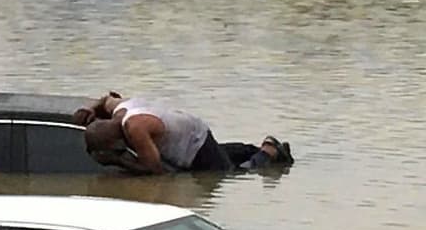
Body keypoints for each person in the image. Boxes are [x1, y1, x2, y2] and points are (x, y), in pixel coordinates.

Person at [73, 92, 293, 175]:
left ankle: (267, 152)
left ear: (114, 143)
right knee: (220, 152)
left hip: (193, 145)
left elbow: (158, 171)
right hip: (190, 128)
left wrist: (119, 161)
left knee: (228, 173)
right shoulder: (120, 110)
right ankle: (254, 149)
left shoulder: (136, 130)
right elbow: (108, 97)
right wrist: (91, 109)